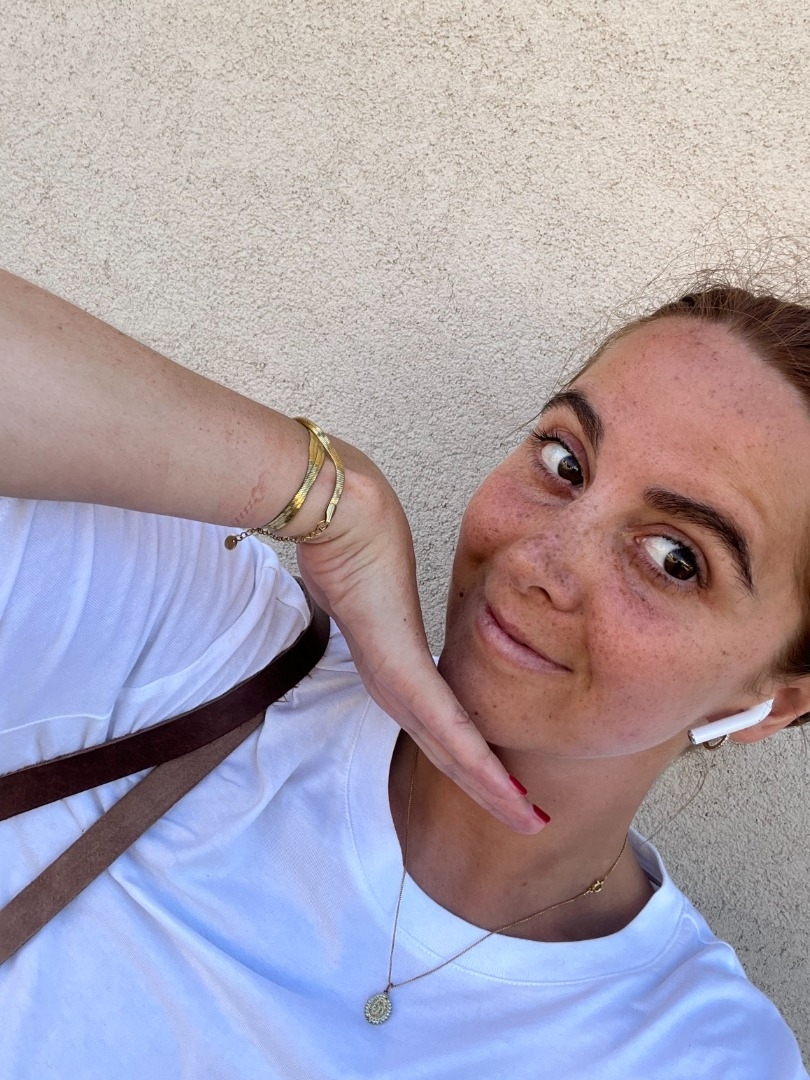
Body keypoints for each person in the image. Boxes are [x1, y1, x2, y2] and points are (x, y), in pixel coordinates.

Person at [0, 268, 807, 1078]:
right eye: (565, 462)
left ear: (773, 702)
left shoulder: (695, 1055)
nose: (537, 562)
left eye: (675, 559)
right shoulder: (205, 652)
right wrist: (333, 495)